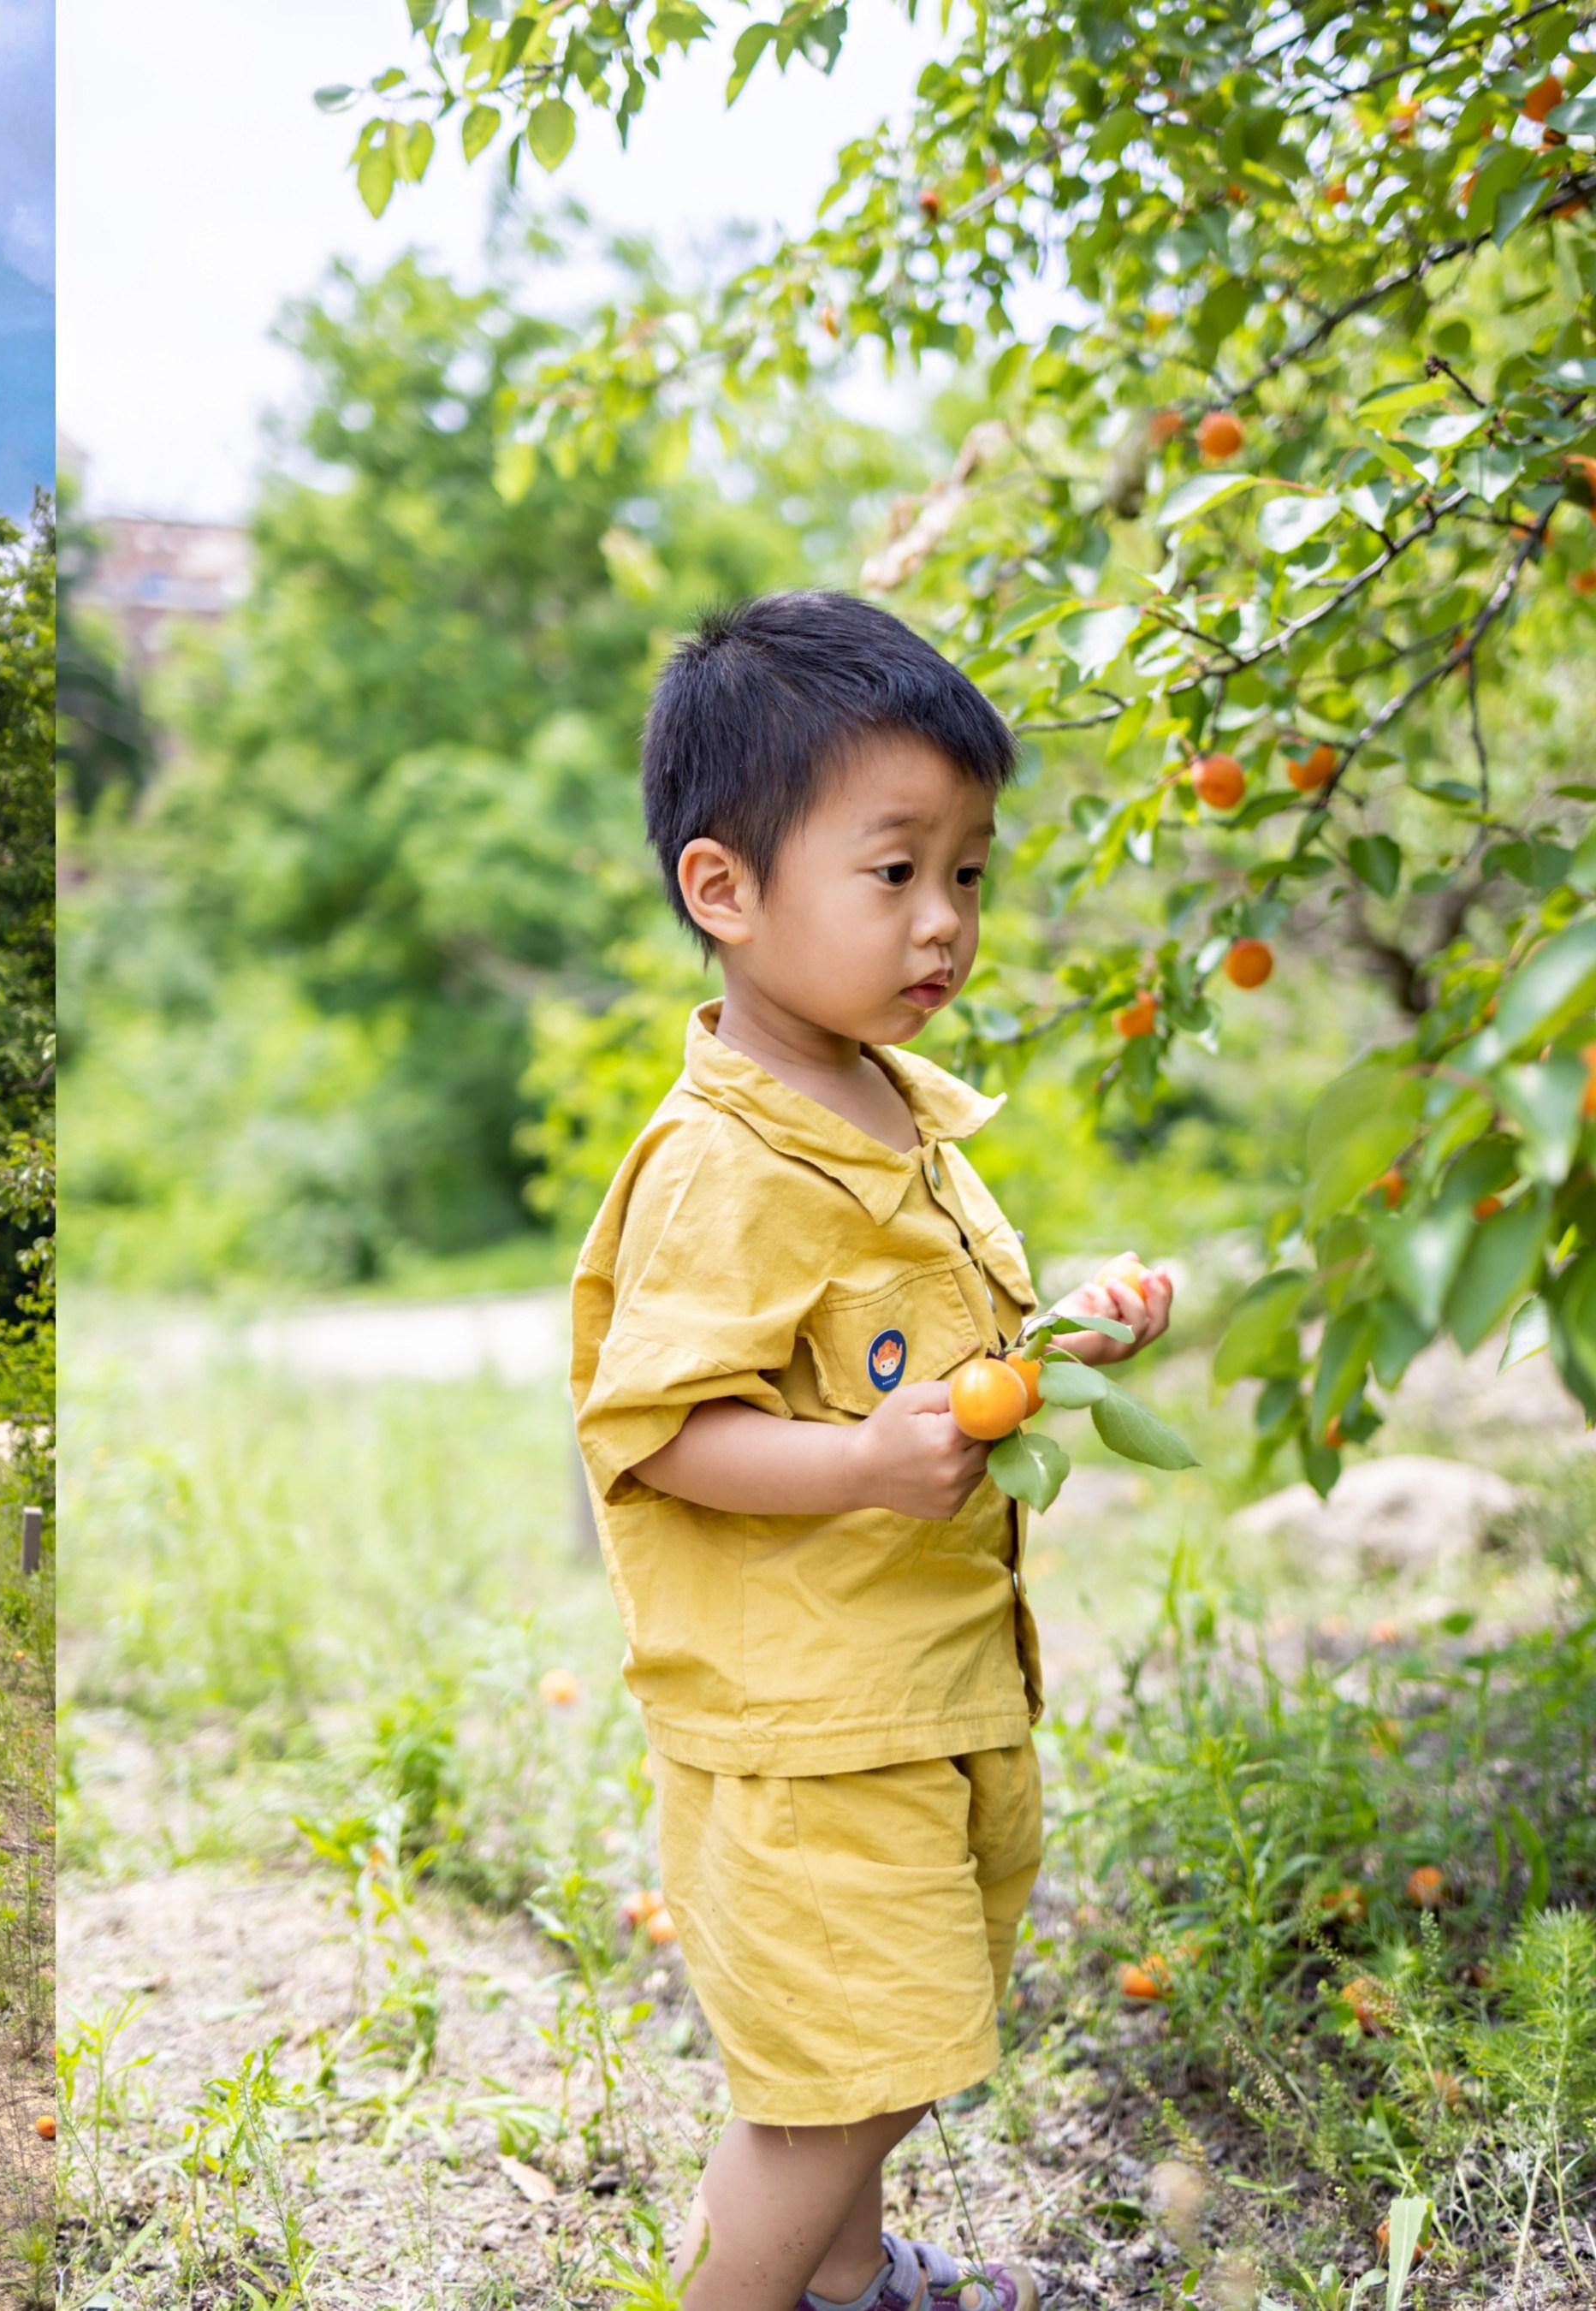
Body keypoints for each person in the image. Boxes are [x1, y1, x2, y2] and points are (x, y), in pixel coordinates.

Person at [567, 591, 1174, 2311]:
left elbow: (953, 1370)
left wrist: (1074, 1334)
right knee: (837, 2085)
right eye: (894, 870)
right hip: (811, 1725)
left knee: (885, 2042)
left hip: (923, 1687)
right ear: (726, 890)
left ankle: (849, 2288)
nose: (946, 922)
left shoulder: (898, 1111)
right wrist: (849, 1469)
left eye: (969, 873)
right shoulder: (722, 1162)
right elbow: (662, 1428)